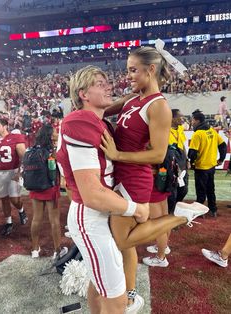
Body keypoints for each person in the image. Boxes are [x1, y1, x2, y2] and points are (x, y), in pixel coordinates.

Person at [57, 65, 208, 314]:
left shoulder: (99, 121)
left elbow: (124, 102)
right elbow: (92, 194)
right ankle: (179, 216)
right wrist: (135, 208)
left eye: (107, 81)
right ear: (83, 93)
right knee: (117, 301)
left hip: (101, 211)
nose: (108, 86)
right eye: (99, 83)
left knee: (99, 284)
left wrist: (143, 88)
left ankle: (179, 216)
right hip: (92, 214)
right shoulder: (80, 120)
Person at [100, 41, 208, 311]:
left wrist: (117, 155)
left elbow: (158, 155)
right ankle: (129, 294)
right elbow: (100, 111)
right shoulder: (132, 98)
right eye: (128, 70)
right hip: (121, 174)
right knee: (126, 245)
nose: (128, 76)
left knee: (123, 239)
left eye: (133, 70)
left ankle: (181, 215)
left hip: (135, 178)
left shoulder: (158, 105)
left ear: (150, 70)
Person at [29, 124, 67, 259]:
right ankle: (57, 250)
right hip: (50, 188)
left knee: (36, 219)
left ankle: (34, 249)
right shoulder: (53, 151)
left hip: (35, 188)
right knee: (54, 220)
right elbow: (62, 170)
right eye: (55, 132)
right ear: (51, 136)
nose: (57, 133)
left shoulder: (32, 149)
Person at [188, 110, 227, 218]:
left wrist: (192, 163)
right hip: (211, 166)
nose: (192, 122)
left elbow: (192, 153)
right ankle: (213, 210)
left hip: (201, 167)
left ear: (197, 120)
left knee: (201, 191)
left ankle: (200, 212)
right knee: (210, 189)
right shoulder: (212, 130)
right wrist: (221, 160)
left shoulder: (198, 134)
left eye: (192, 120)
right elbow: (223, 145)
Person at [0, 118, 28, 236]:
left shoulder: (16, 138)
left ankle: (21, 210)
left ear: (5, 126)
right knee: (4, 199)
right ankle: (9, 222)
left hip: (12, 172)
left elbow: (24, 157)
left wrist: (20, 172)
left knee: (14, 199)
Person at [167, 109, 188, 214]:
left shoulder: (180, 129)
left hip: (182, 161)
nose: (182, 119)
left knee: (184, 189)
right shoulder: (164, 130)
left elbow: (183, 145)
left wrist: (186, 159)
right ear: (173, 118)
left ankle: (175, 207)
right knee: (172, 190)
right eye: (180, 116)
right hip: (171, 162)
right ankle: (170, 213)